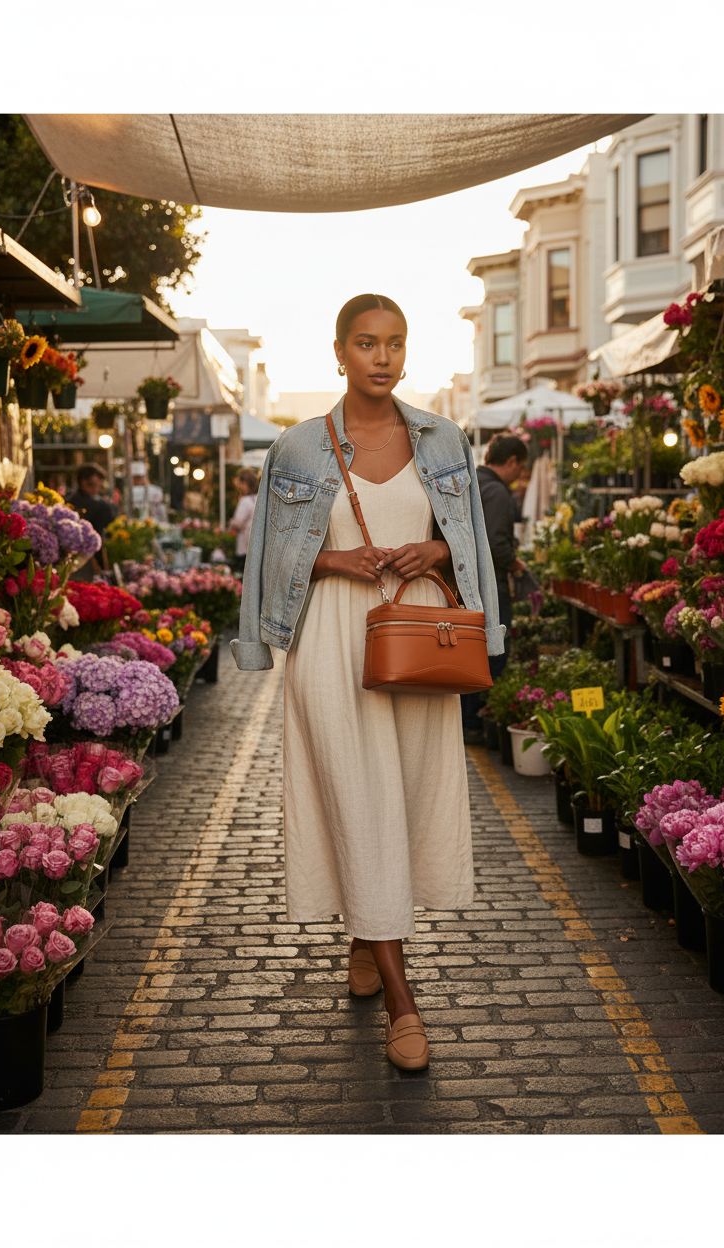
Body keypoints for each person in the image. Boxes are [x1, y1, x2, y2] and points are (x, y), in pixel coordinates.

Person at [232, 293, 504, 1071]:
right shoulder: (297, 450)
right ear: (340, 352)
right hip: (332, 643)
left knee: (409, 799)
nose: (379, 357)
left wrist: (437, 557)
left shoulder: (445, 440)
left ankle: (364, 936)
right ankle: (400, 998)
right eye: (364, 343)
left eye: (392, 344)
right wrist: (332, 559)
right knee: (360, 800)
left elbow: (471, 543)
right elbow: (268, 560)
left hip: (421, 637)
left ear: (406, 353)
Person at [460, 432, 528, 743]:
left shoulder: (474, 482)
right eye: (521, 468)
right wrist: (515, 563)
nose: (520, 475)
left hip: (466, 583)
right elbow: (496, 544)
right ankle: (475, 721)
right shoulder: (499, 493)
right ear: (511, 461)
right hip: (489, 586)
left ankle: (468, 719)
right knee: (492, 652)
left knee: (470, 651)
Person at [66, 463, 115, 579]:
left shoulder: (68, 501)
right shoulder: (100, 506)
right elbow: (101, 538)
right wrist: (104, 567)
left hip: (68, 562)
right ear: (83, 482)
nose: (97, 488)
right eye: (94, 485)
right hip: (89, 563)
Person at [227, 469, 258, 575]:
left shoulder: (245, 501)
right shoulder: (258, 499)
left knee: (241, 574)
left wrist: (231, 523)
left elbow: (238, 523)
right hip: (255, 543)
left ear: (245, 483)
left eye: (239, 483)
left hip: (244, 544)